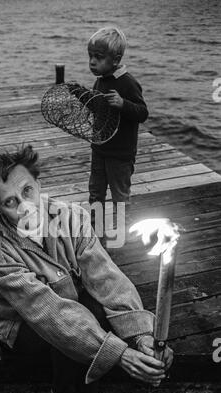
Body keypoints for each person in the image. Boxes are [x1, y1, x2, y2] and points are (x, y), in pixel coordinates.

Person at [0, 145, 173, 393]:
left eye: (28, 191)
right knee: (62, 321)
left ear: (38, 184)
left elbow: (106, 276)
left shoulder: (73, 217)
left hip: (69, 303)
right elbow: (46, 310)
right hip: (22, 322)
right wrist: (119, 354)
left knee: (97, 305)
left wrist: (141, 335)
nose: (25, 206)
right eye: (10, 202)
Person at [88, 27, 149, 245]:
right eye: (91, 57)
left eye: (98, 57)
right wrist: (82, 96)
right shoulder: (101, 80)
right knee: (95, 193)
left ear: (115, 59)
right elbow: (99, 110)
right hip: (100, 149)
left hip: (120, 155)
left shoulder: (127, 82)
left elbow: (142, 113)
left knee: (119, 197)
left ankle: (122, 234)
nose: (92, 62)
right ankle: (95, 233)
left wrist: (124, 104)